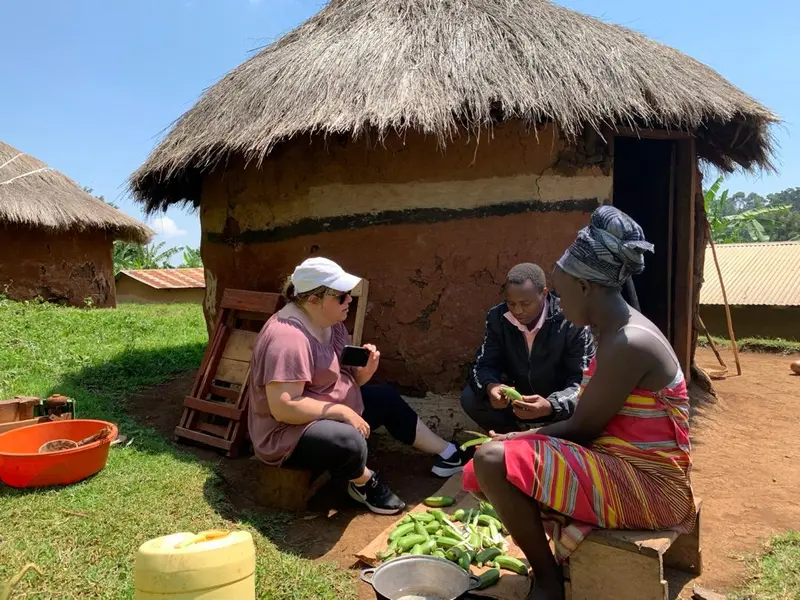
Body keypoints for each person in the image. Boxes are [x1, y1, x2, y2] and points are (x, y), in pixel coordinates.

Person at [462, 206, 697, 600]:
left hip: (652, 488)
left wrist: (520, 439)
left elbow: (583, 428)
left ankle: (549, 583)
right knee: (496, 461)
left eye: (563, 288)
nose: (560, 301)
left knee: (492, 460)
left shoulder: (628, 342)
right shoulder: (613, 333)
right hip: (620, 465)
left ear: (586, 287)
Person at [247, 257, 469, 515]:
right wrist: (340, 412)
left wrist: (364, 374)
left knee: (384, 396)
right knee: (350, 442)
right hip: (288, 433)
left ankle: (448, 453)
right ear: (313, 300)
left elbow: (341, 380)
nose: (349, 300)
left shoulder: (331, 323)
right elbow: (284, 408)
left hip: (328, 409)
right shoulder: (288, 339)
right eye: (341, 296)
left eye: (348, 294)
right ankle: (363, 483)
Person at [461, 263, 594, 434]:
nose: (518, 310)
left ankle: (550, 438)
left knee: (581, 408)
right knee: (470, 398)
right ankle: (513, 435)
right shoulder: (498, 318)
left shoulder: (571, 320)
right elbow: (483, 365)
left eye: (525, 303)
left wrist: (551, 405)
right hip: (516, 405)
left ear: (544, 294)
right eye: (511, 303)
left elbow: (583, 382)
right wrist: (491, 387)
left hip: (556, 408)